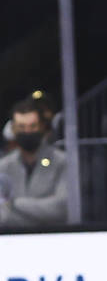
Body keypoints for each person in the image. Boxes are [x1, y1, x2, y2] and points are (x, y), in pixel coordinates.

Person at [0, 95, 68, 228]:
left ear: (42, 127)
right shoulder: (3, 166)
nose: (27, 132)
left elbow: (61, 208)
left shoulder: (62, 162)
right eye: (22, 127)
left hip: (55, 238)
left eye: (32, 126)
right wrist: (38, 216)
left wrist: (14, 203)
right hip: (12, 241)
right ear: (13, 129)